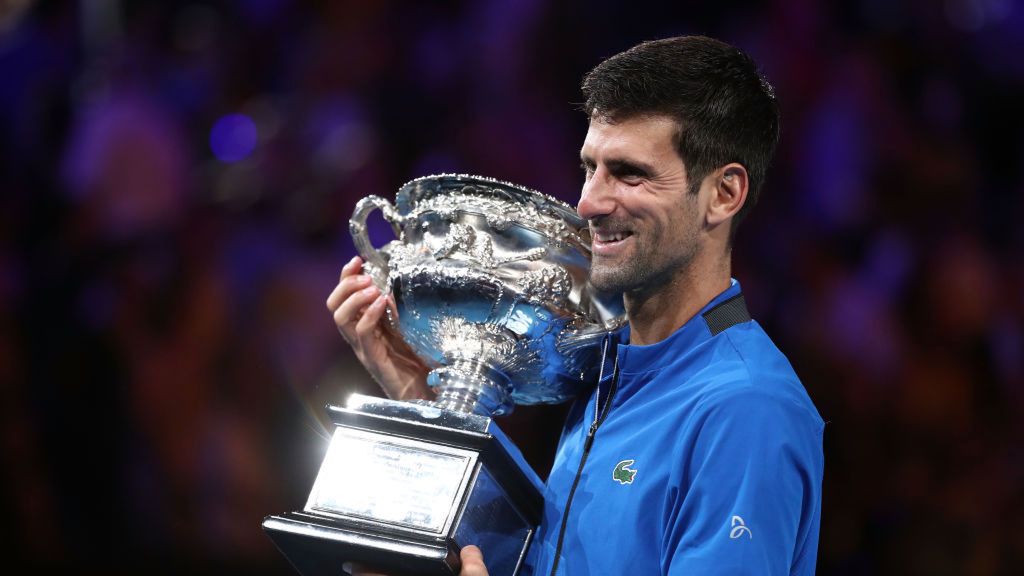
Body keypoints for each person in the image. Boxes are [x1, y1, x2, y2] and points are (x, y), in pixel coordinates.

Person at [328, 35, 823, 576]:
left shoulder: (745, 409)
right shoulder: (609, 363)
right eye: (590, 168)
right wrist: (421, 397)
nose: (588, 202)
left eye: (629, 173)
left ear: (723, 194)